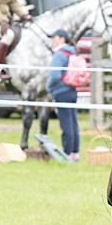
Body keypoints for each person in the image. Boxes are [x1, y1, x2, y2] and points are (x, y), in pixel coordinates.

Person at [46, 29, 80, 161]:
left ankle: (66, 153)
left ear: (61, 38)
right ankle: (75, 152)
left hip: (61, 91)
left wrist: (48, 88)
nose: (52, 40)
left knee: (66, 123)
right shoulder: (71, 52)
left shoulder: (59, 54)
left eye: (54, 37)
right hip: (72, 90)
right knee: (73, 122)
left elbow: (55, 75)